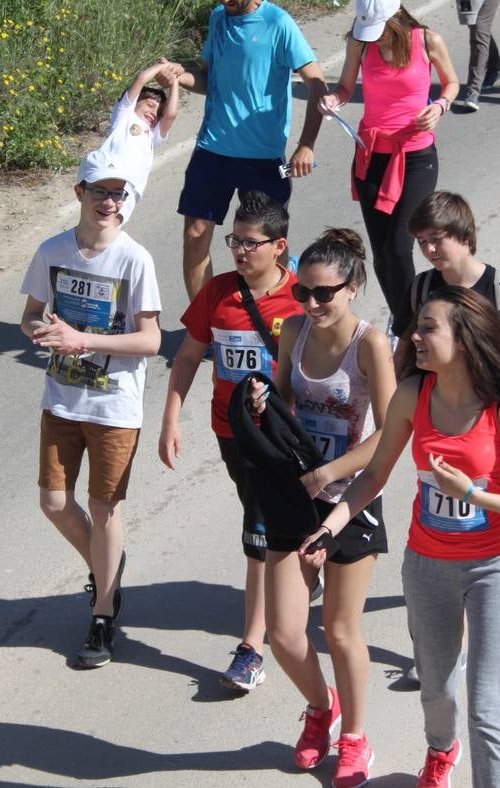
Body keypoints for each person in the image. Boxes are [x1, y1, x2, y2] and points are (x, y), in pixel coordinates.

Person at [299, 286, 500, 788]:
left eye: (428, 328)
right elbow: (374, 475)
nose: (414, 336)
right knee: (435, 690)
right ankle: (442, 750)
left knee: (486, 707)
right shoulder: (414, 395)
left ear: (464, 338)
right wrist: (328, 528)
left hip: (495, 567)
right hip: (428, 566)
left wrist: (474, 496)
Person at [243, 229, 397, 787]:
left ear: (353, 287)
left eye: (324, 293)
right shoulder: (293, 332)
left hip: (352, 498)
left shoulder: (371, 345)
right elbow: (284, 398)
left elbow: (389, 434)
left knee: (339, 632)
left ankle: (355, 738)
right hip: (296, 494)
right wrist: (265, 401)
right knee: (283, 634)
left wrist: (331, 472)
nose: (311, 304)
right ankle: (320, 707)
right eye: (303, 292)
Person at [19, 147, 163, 668]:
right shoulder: (52, 251)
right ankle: (109, 569)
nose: (109, 202)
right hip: (61, 397)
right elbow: (30, 316)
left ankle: (103, 615)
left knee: (105, 510)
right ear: (79, 193)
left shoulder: (135, 259)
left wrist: (83, 338)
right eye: (100, 191)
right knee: (54, 502)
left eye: (118, 193)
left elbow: (150, 340)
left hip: (114, 407)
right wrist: (43, 333)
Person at [158, 191, 303, 691]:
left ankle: (251, 649)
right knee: (271, 526)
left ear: (279, 246)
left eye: (250, 243)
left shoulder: (305, 297)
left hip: (286, 438)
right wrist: (171, 420)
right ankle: (296, 580)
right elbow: (186, 358)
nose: (239, 252)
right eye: (234, 241)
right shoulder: (217, 293)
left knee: (259, 532)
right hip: (231, 433)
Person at [155, 0, 327, 300]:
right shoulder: (219, 17)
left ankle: (266, 321)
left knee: (260, 250)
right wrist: (178, 76)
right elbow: (208, 79)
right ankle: (205, 327)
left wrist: (307, 143)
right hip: (212, 150)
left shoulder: (279, 23)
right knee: (194, 235)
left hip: (262, 159)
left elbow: (317, 84)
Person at [320, 0, 459, 337]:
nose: (374, 40)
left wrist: (439, 106)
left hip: (415, 156)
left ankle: (420, 321)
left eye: (379, 32)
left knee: (400, 246)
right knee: (381, 254)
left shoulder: (427, 40)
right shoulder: (360, 41)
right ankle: (404, 327)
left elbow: (452, 83)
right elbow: (346, 87)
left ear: (396, 19)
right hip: (372, 155)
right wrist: (333, 100)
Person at [394, 191, 500, 463]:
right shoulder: (421, 288)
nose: (429, 250)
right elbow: (402, 352)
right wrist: (403, 408)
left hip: (495, 410)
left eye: (436, 240)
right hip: (441, 410)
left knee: (489, 482)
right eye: (422, 242)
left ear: (465, 236)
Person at [98, 59, 180, 223]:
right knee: (99, 222)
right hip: (108, 177)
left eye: (158, 112)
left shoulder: (152, 135)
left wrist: (175, 80)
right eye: (150, 105)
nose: (153, 113)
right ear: (135, 103)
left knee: (112, 227)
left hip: (130, 191)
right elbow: (141, 79)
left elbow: (170, 114)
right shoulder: (124, 117)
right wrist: (164, 67)